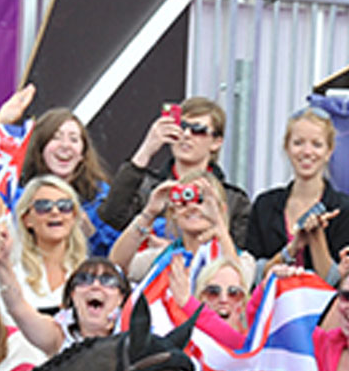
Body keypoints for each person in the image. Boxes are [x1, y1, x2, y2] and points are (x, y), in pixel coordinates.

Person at [99, 97, 251, 249]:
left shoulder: (234, 200)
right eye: (181, 126)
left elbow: (238, 257)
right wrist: (146, 149)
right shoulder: (148, 186)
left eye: (198, 130)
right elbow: (111, 215)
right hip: (146, 270)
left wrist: (176, 250)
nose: (186, 134)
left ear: (216, 142)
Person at [247, 107, 349, 283]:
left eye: (316, 144)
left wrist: (316, 237)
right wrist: (292, 249)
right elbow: (254, 276)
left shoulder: (346, 209)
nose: (307, 152)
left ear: (328, 151)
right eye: (298, 142)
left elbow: (334, 282)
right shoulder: (264, 204)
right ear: (287, 147)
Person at [0, 224, 129, 358]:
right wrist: (3, 263)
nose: (96, 285)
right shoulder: (59, 336)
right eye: (84, 279)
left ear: (120, 298)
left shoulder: (133, 340)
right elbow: (18, 308)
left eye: (108, 281)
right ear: (73, 294)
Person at [109, 171, 247, 288]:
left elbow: (236, 285)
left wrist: (218, 224)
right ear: (173, 212)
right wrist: (149, 213)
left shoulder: (243, 259)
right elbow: (116, 266)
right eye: (185, 200)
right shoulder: (163, 258)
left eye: (201, 200)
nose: (193, 207)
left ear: (222, 209)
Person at [15, 102, 119, 256]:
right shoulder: (18, 195)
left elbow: (115, 258)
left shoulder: (101, 197)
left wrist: (91, 235)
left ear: (82, 154)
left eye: (73, 139)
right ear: (40, 147)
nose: (65, 146)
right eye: (56, 138)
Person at [6, 174, 91, 314]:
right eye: (43, 206)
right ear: (27, 219)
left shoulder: (88, 272)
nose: (55, 212)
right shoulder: (12, 265)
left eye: (65, 206)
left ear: (74, 216)